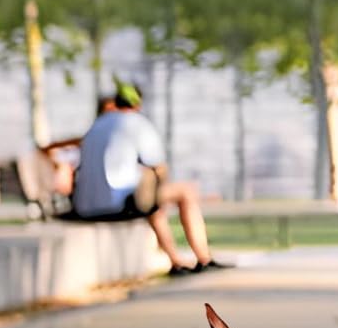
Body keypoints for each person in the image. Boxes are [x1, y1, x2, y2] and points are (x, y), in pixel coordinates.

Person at [72, 81, 227, 275]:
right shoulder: (136, 123)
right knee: (185, 191)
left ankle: (176, 262)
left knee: (152, 203)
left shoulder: (96, 125)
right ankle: (204, 259)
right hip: (118, 206)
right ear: (137, 104)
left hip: (86, 207)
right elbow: (158, 167)